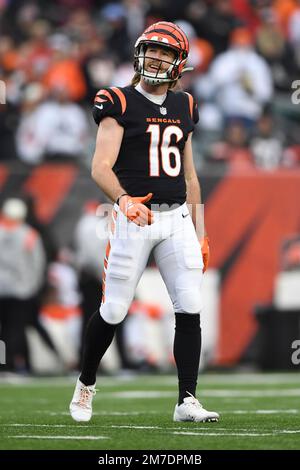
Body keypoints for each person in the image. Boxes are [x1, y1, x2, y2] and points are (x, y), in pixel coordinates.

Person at [70, 21, 219, 423]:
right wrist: (122, 199)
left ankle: (186, 400)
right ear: (139, 53)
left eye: (166, 52)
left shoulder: (185, 105)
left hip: (178, 220)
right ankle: (86, 384)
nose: (157, 56)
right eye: (152, 49)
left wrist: (200, 232)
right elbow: (100, 166)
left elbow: (190, 177)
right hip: (133, 217)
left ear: (179, 63)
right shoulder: (117, 100)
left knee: (190, 305)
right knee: (115, 309)